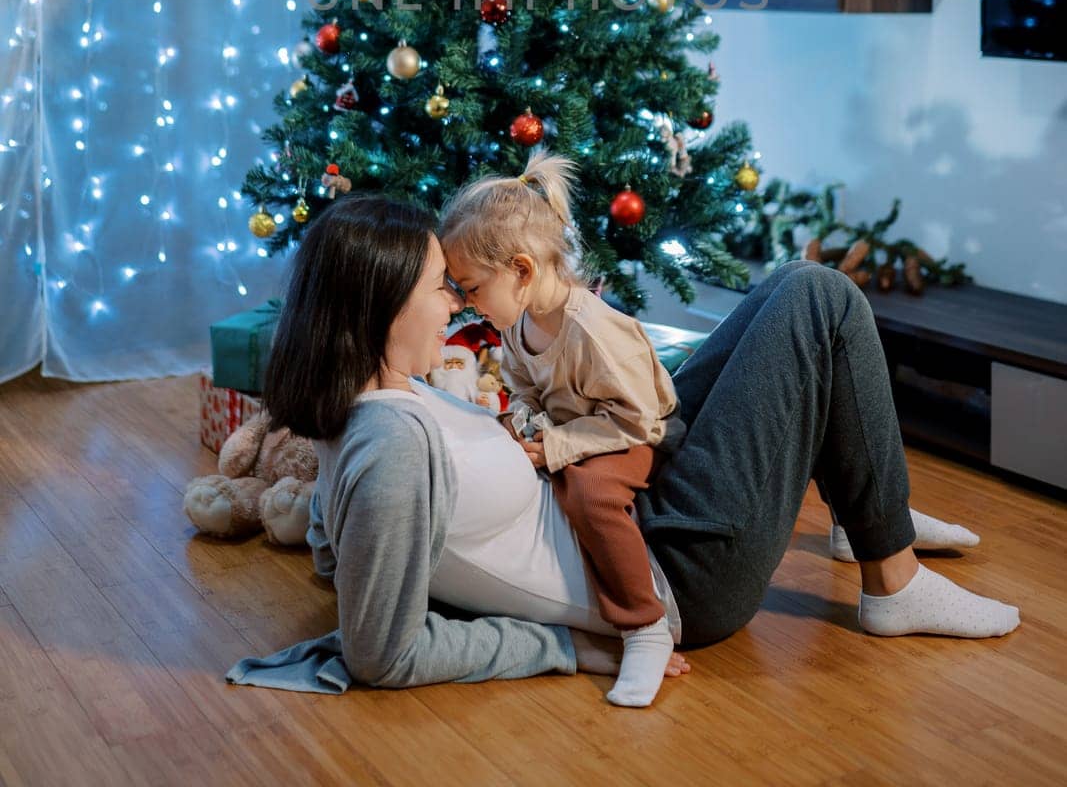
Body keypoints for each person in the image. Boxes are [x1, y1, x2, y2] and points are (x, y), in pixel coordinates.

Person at [226, 192, 1020, 702]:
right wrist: (568, 645)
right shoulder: (387, 444)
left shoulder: (379, 397)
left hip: (629, 496)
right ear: (376, 305)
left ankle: (870, 512)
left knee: (786, 285)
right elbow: (380, 653)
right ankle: (892, 576)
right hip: (674, 577)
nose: (455, 301)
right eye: (440, 285)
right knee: (821, 298)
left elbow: (339, 554)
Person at [438, 151, 685, 707]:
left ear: (521, 271)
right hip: (585, 429)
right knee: (544, 471)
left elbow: (637, 419)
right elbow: (526, 391)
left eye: (472, 287)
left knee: (590, 492)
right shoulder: (517, 325)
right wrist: (522, 425)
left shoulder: (592, 331)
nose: (465, 303)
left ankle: (644, 627)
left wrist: (553, 447)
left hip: (641, 432)